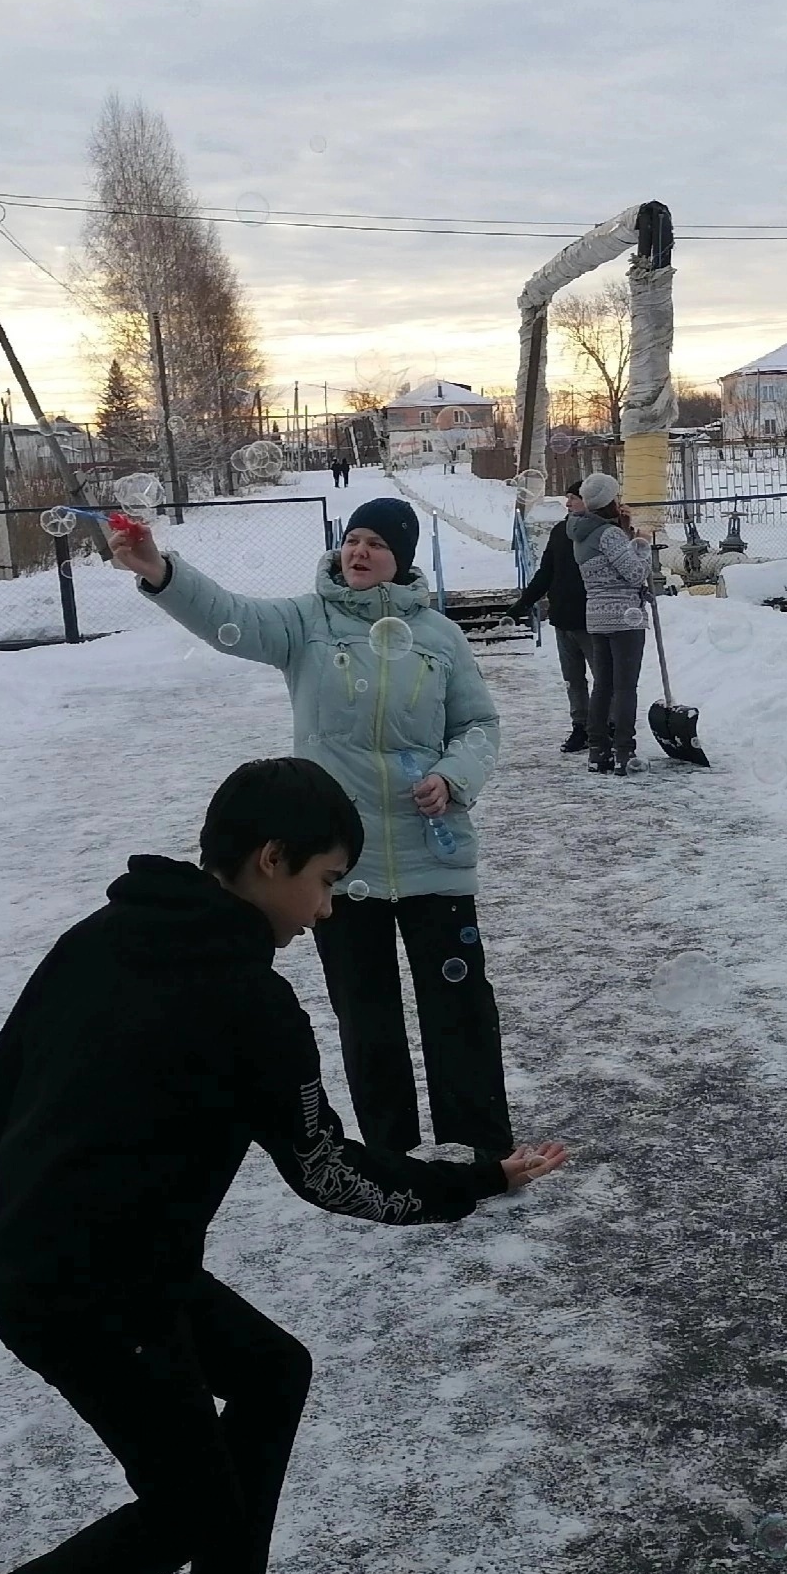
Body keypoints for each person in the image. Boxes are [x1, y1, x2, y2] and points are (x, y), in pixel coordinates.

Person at [0, 759, 567, 1574]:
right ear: (269, 860)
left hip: (76, 1259)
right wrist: (474, 1181)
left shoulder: (104, 936)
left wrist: (40, 1201)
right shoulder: (252, 1006)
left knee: (269, 1372)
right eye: (327, 880)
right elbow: (328, 1172)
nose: (327, 910)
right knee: (185, 1508)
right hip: (94, 1291)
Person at [111, 497, 516, 1166]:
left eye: (377, 543)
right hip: (338, 865)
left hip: (432, 848)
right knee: (367, 1015)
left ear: (401, 559)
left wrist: (453, 776)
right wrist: (160, 572)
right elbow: (229, 619)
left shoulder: (440, 636)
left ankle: (481, 1146)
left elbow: (480, 725)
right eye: (352, 539)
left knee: (461, 1006)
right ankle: (393, 1154)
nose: (358, 551)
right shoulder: (306, 622)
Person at [567, 471, 654, 776]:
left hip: (597, 617)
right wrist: (643, 545)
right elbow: (635, 573)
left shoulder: (581, 531)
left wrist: (625, 532)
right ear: (609, 501)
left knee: (602, 686)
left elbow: (609, 565)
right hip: (624, 618)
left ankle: (597, 751)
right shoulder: (610, 535)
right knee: (626, 687)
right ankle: (623, 751)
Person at [509, 484, 592, 755]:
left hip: (593, 618)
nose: (567, 504)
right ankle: (581, 726)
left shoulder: (603, 532)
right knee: (573, 679)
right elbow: (546, 571)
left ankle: (607, 726)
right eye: (567, 498)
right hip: (563, 617)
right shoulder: (559, 531)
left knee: (605, 678)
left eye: (574, 498)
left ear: (590, 500)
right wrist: (524, 602)